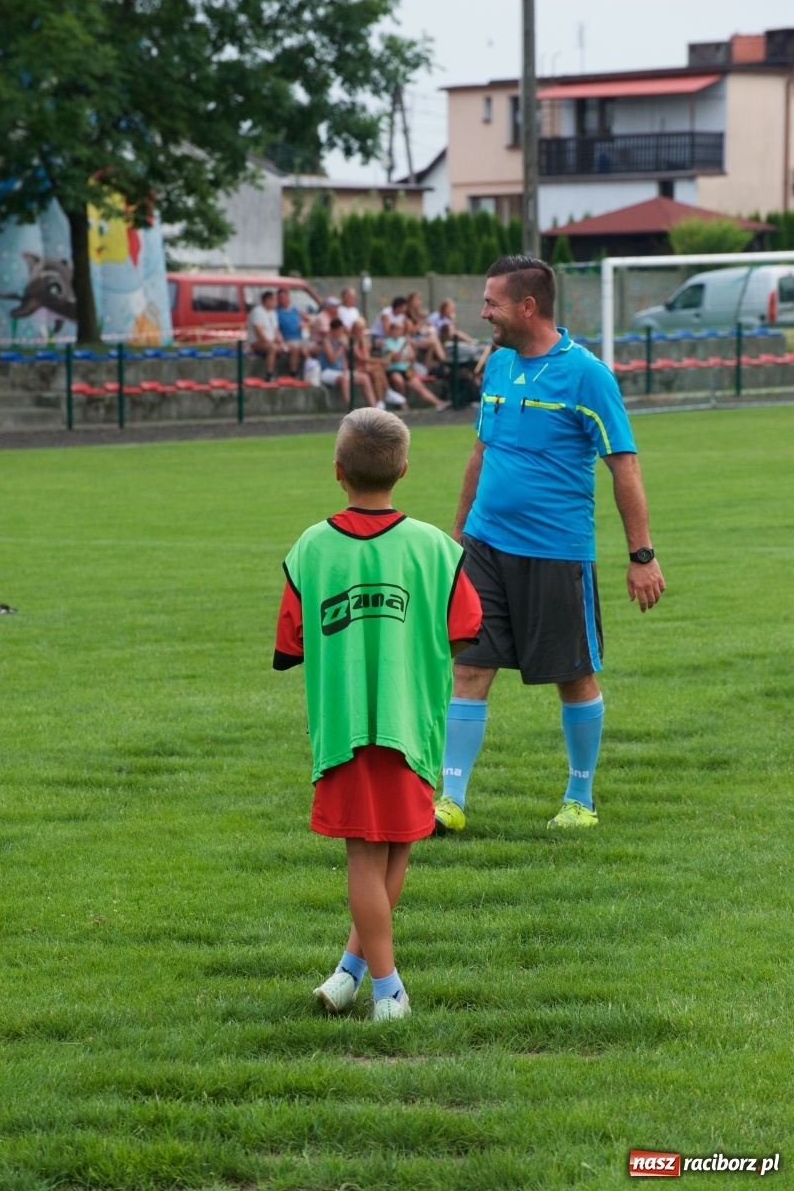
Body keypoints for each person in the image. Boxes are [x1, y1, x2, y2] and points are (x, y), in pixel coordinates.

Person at [433, 255, 666, 836]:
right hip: (485, 546)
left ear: (527, 307)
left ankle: (579, 798)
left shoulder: (587, 375)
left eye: (492, 303)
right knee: (470, 668)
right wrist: (459, 537)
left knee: (574, 676)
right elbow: (481, 452)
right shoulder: (497, 364)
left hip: (557, 553)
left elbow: (625, 466)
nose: (483, 312)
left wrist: (641, 556)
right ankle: (449, 800)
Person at [273, 408, 482, 1020]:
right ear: (405, 470)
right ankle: (388, 991)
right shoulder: (437, 550)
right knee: (383, 851)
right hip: (411, 721)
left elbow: (292, 643)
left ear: (338, 471)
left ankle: (351, 972)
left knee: (382, 850)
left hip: (343, 725)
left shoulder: (311, 547)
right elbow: (466, 630)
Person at [382, 319, 450, 412]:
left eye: (399, 330)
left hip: (405, 369)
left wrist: (405, 355)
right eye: (395, 330)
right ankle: (403, 404)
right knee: (399, 381)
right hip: (393, 370)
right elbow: (395, 358)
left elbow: (411, 356)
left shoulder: (403, 340)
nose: (398, 332)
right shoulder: (388, 343)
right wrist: (403, 348)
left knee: (418, 385)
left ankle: (437, 403)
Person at [318, 317, 378, 409]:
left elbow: (344, 360)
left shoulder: (340, 341)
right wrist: (341, 347)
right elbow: (332, 359)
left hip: (340, 371)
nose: (342, 333)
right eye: (340, 331)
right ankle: (351, 409)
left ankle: (375, 408)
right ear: (334, 330)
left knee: (365, 378)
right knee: (345, 379)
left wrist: (345, 369)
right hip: (327, 371)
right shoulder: (327, 342)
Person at [248, 289, 286, 377]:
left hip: (271, 342)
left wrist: (281, 342)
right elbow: (259, 332)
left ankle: (291, 374)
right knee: (272, 348)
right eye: (274, 300)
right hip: (257, 343)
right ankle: (269, 373)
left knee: (290, 348)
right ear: (267, 300)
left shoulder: (273, 313)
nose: (276, 302)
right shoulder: (257, 312)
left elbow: (276, 330)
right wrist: (270, 343)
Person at [276, 288, 311, 376]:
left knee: (307, 349)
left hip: (299, 338)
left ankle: (311, 371)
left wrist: (304, 324)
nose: (282, 299)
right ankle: (293, 372)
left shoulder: (296, 309)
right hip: (287, 339)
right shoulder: (276, 312)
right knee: (296, 348)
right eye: (280, 298)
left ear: (288, 298)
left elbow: (310, 321)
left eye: (283, 297)